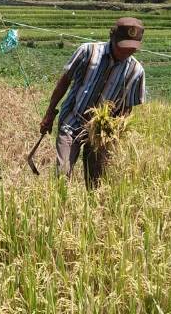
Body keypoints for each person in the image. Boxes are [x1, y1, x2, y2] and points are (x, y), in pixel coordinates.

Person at [39, 17, 146, 189]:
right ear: (112, 37)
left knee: (95, 183)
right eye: (123, 47)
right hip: (72, 121)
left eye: (131, 49)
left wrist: (115, 129)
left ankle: (91, 212)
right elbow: (64, 82)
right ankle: (60, 208)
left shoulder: (136, 71)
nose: (126, 52)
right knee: (62, 174)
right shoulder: (88, 52)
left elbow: (127, 107)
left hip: (100, 134)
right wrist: (50, 112)